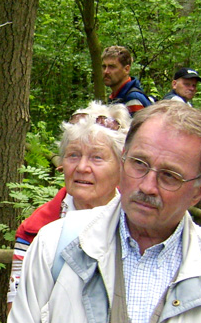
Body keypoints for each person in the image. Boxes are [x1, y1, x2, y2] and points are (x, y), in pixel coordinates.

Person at [0, 100, 201, 323]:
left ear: (199, 191)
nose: (147, 186)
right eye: (139, 164)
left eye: (169, 176)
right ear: (124, 159)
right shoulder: (55, 245)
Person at [7, 101, 130, 309]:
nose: (82, 167)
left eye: (97, 157)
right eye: (73, 155)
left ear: (122, 165)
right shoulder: (35, 229)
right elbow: (18, 311)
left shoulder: (140, 225)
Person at [102, 46, 153, 115]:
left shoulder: (133, 99)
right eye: (104, 66)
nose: (106, 71)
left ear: (126, 69)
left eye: (112, 67)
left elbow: (138, 126)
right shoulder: (116, 96)